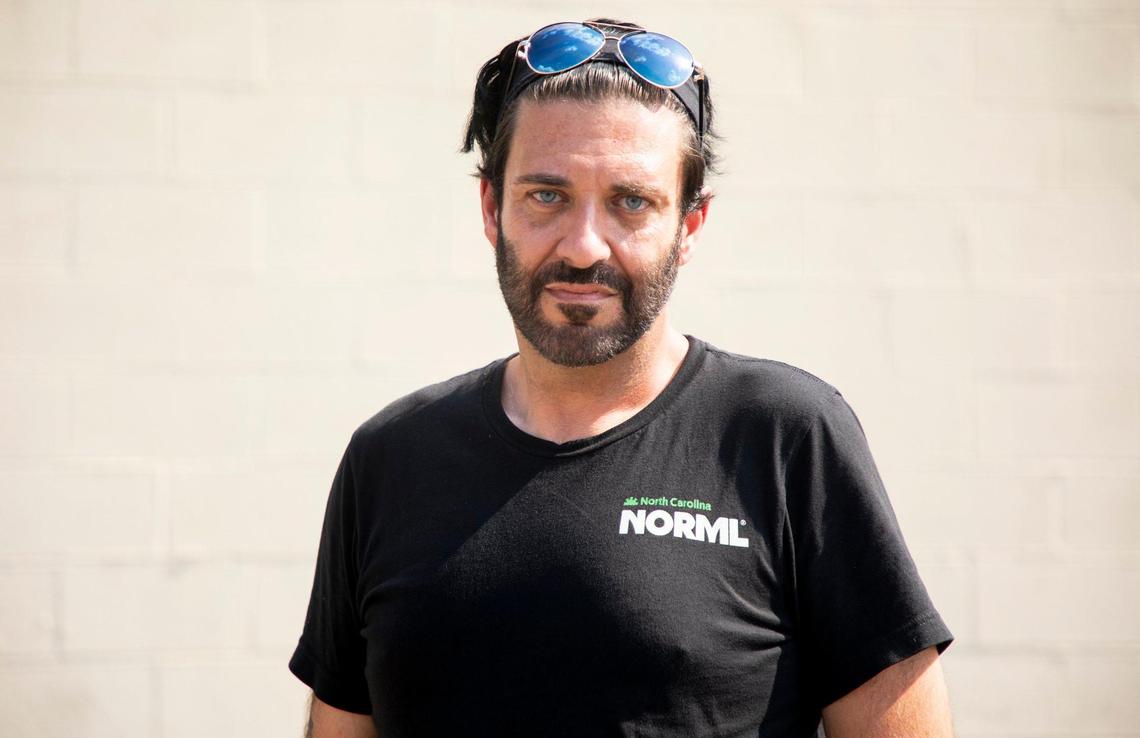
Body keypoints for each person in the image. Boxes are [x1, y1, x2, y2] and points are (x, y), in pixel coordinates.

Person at [289, 18, 954, 738]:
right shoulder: (390, 458)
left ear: (689, 227)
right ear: (491, 208)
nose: (583, 247)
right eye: (547, 196)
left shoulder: (785, 436)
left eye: (631, 202)